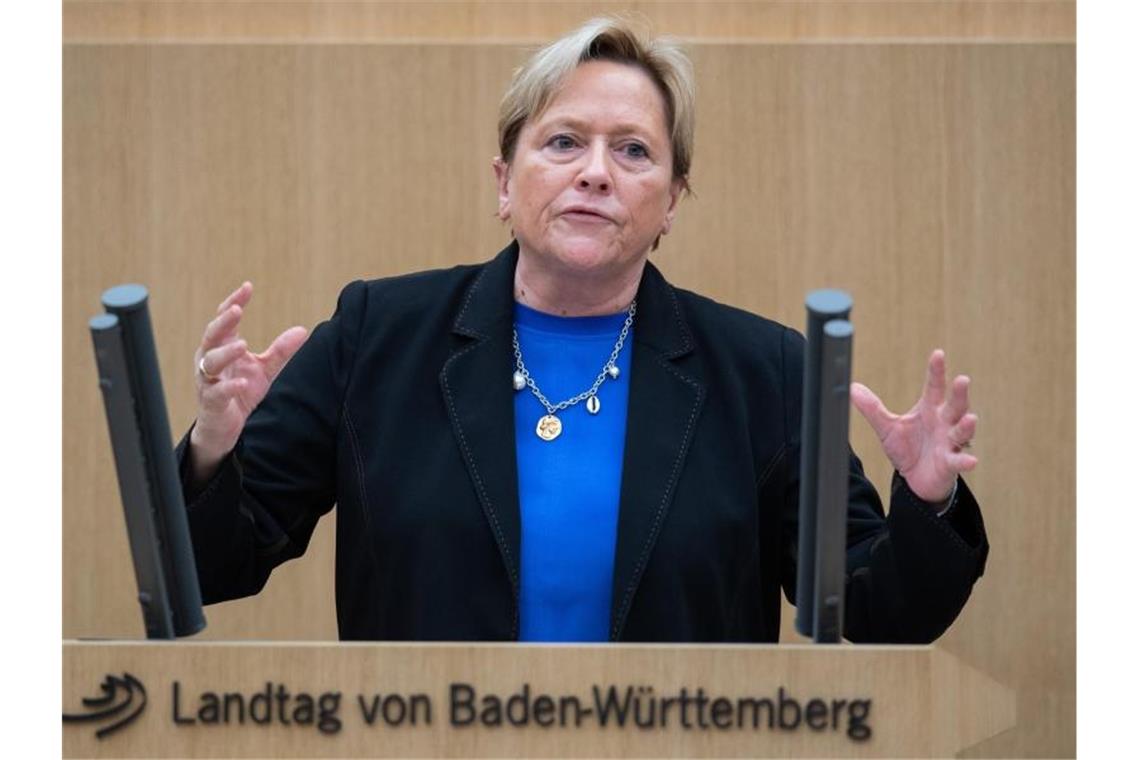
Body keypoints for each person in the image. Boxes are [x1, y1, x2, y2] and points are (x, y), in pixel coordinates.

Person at [180, 17, 987, 643]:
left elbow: (876, 613)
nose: (595, 171)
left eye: (633, 150)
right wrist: (215, 448)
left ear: (671, 201)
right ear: (505, 181)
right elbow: (212, 565)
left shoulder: (764, 372)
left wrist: (929, 501)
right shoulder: (376, 337)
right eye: (564, 141)